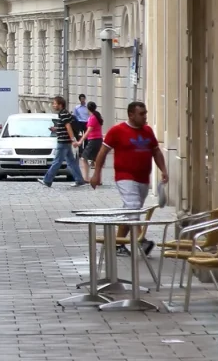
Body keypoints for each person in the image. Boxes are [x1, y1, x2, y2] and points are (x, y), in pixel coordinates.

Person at [91, 101, 168, 256]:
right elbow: (102, 152)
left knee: (131, 210)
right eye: (141, 114)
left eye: (145, 113)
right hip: (124, 176)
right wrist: (96, 173)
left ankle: (118, 244)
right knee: (133, 206)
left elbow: (156, 151)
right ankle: (141, 240)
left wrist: (163, 169)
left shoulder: (147, 131)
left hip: (143, 178)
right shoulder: (117, 131)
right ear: (131, 114)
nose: (145, 116)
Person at [42, 95, 87, 187]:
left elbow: (68, 127)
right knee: (71, 162)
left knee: (57, 161)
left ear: (60, 105)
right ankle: (79, 180)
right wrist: (56, 128)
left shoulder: (63, 113)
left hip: (63, 142)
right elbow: (64, 126)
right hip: (65, 141)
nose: (53, 105)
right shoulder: (64, 113)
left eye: (55, 104)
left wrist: (73, 140)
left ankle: (47, 180)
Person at [78, 101, 105, 181]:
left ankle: (86, 178)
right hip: (98, 140)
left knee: (83, 157)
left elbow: (88, 131)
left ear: (87, 109)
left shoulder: (92, 118)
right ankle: (98, 179)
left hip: (93, 140)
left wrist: (80, 141)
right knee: (96, 159)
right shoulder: (97, 116)